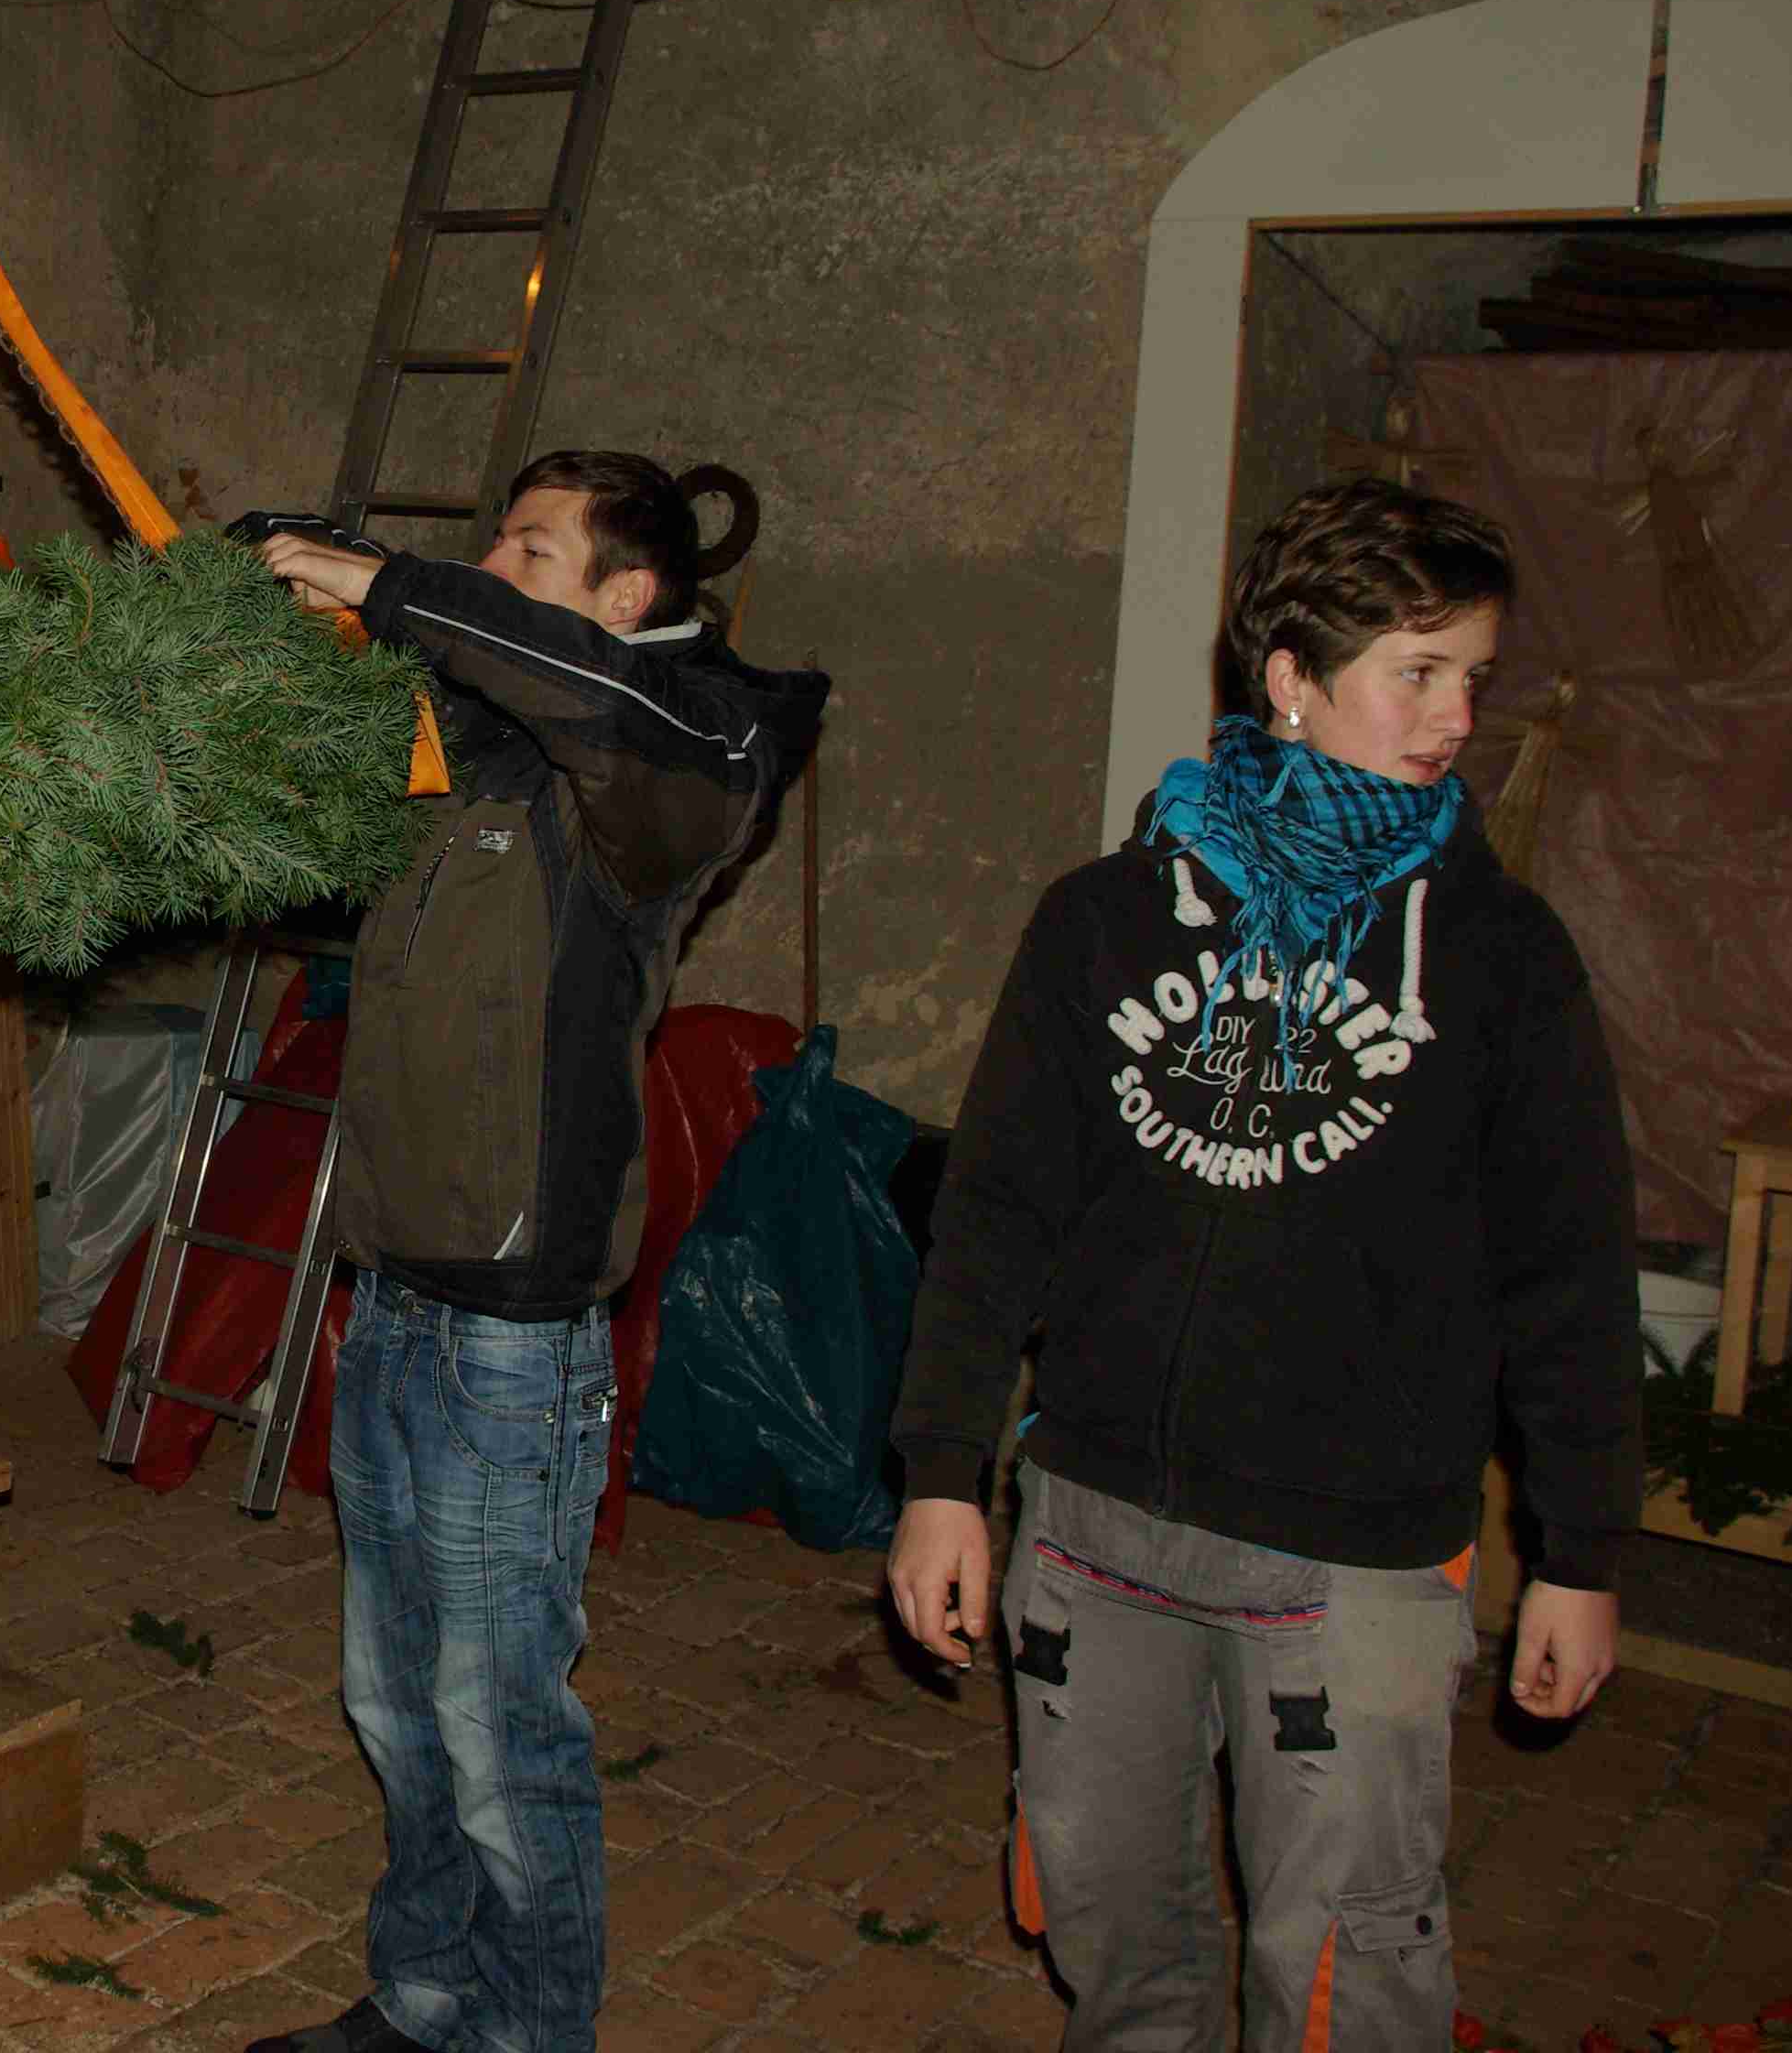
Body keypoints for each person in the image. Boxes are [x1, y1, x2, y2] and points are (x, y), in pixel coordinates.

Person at [884, 478, 1640, 2051]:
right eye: (1416, 673)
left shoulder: (1503, 959)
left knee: (1350, 1976)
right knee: (1110, 1931)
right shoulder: (1105, 919)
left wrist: (1580, 1550)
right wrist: (943, 1473)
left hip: (1352, 1561)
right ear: (1292, 677)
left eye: (1472, 677)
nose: (1458, 719)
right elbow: (998, 1213)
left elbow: (1569, 1272)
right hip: (1098, 1527)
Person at [244, 452, 830, 2053]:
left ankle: (531, 2030)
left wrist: (395, 586)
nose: (494, 568)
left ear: (627, 595)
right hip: (393, 1293)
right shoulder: (483, 745)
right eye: (492, 544)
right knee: (394, 1700)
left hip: (514, 1329)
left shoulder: (679, 756)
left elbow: (604, 703)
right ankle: (428, 1996)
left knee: (498, 1725)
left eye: (531, 549)